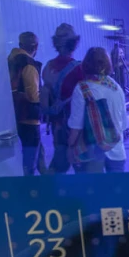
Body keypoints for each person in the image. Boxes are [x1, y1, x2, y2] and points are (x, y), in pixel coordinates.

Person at [67, 47, 127, 173]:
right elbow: (123, 124)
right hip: (116, 149)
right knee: (117, 185)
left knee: (92, 185)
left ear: (86, 64)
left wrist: (71, 148)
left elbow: (76, 126)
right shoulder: (116, 88)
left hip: (92, 152)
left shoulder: (82, 88)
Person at [41, 23, 84, 173]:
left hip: (56, 124)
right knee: (81, 164)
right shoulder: (79, 69)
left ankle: (51, 184)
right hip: (75, 125)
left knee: (60, 159)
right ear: (74, 43)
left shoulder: (47, 67)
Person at [8, 32, 44, 176]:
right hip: (29, 119)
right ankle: (30, 185)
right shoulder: (29, 64)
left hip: (12, 116)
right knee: (30, 160)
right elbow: (33, 96)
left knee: (13, 158)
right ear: (36, 46)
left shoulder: (9, 60)